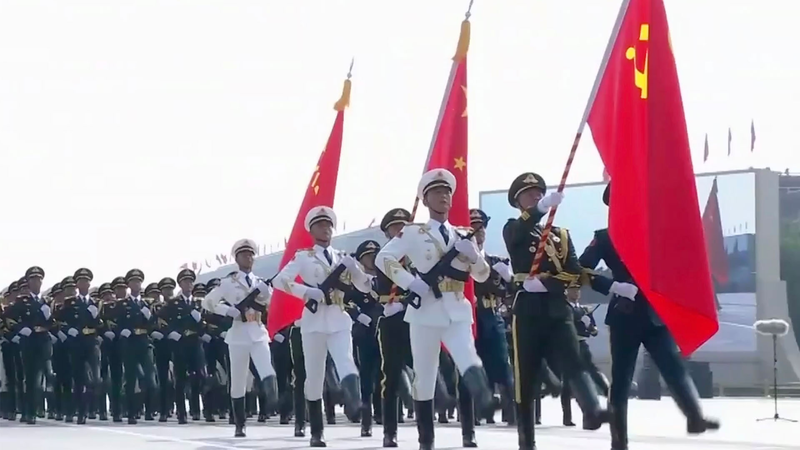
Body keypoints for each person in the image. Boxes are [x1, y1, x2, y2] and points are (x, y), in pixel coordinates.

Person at [579, 183, 719, 450]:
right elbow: (582, 269)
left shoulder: (654, 234)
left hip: (654, 314)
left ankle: (694, 417)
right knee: (621, 379)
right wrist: (613, 286)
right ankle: (618, 440)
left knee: (673, 367)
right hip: (624, 315)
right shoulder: (605, 238)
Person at [375, 169, 493, 450]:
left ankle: (483, 405)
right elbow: (383, 258)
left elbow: (482, 275)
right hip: (425, 312)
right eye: (437, 192)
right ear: (426, 200)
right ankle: (426, 440)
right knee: (425, 376)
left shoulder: (463, 234)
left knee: (467, 357)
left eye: (447, 192)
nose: (444, 196)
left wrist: (474, 255)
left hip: (457, 308)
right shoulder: (413, 232)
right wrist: (410, 282)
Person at [502, 172, 609, 450]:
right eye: (529, 195)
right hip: (527, 310)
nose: (536, 197)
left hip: (557, 308)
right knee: (526, 378)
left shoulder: (560, 235)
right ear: (518, 202)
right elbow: (518, 233)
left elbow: (573, 270)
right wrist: (539, 209)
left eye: (539, 193)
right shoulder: (513, 228)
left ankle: (591, 409)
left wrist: (548, 283)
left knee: (573, 359)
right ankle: (526, 440)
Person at [272, 206, 371, 447]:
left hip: (338, 317)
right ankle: (317, 431)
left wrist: (355, 269)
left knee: (346, 360)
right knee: (314, 377)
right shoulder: (303, 257)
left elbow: (365, 287)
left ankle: (354, 403)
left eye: (328, 225)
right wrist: (307, 292)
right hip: (314, 322)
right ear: (311, 230)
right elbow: (280, 280)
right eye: (320, 225)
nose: (325, 228)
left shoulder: (342, 257)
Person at [202, 238, 278, 438]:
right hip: (238, 334)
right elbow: (208, 302)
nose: (248, 258)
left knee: (266, 368)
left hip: (258, 331)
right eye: (244, 255)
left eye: (251, 254)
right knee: (238, 381)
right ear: (237, 259)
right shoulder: (228, 282)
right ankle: (240, 423)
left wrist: (268, 294)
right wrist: (227, 310)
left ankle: (272, 397)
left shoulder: (260, 283)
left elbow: (273, 306)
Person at [374, 207, 416, 448]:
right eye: (395, 228)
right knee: (390, 376)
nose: (400, 230)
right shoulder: (383, 257)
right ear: (388, 233)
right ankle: (390, 431)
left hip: (418, 318)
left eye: (404, 226)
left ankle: (427, 422)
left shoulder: (419, 255)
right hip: (392, 320)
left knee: (428, 368)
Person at [470, 208, 515, 427]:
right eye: (473, 227)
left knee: (502, 363)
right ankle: (478, 411)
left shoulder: (497, 261)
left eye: (481, 227)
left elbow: (509, 291)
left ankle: (511, 411)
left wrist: (507, 277)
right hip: (471, 317)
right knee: (475, 365)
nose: (478, 232)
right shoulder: (462, 261)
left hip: (492, 315)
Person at [116, 269, 158, 424]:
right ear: (129, 285)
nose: (137, 284)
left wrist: (150, 318)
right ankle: (131, 412)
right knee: (131, 379)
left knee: (150, 379)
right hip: (130, 343)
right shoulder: (122, 304)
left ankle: (149, 410)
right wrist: (122, 331)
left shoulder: (147, 304)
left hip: (144, 343)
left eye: (139, 282)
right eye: (133, 282)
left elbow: (153, 325)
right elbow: (116, 323)